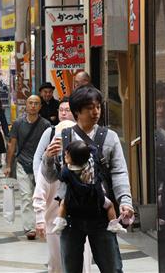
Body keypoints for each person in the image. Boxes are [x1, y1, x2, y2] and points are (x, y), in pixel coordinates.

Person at [41, 85, 134, 273]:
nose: (95, 112)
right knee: (71, 268)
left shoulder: (110, 137)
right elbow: (52, 177)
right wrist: (48, 158)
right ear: (77, 111)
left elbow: (119, 172)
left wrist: (125, 201)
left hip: (100, 213)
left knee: (112, 268)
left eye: (98, 107)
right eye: (89, 108)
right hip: (70, 215)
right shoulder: (62, 136)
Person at [33, 97, 93, 273]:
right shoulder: (50, 165)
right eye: (60, 139)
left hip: (81, 222)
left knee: (83, 264)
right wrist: (39, 220)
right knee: (57, 264)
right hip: (53, 223)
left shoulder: (85, 164)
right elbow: (39, 192)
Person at [52, 140, 127, 234]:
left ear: (73, 159)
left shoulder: (67, 171)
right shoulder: (92, 164)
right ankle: (114, 224)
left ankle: (60, 221)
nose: (65, 155)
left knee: (63, 203)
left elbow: (61, 178)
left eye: (67, 155)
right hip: (96, 197)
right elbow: (95, 150)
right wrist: (87, 147)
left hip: (74, 199)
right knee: (110, 205)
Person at [4, 95, 51, 240]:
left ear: (40, 106)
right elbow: (12, 144)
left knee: (42, 195)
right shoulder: (18, 123)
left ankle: (42, 223)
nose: (33, 106)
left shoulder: (46, 124)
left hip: (40, 165)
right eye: (30, 103)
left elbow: (49, 145)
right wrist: (8, 164)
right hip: (22, 163)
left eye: (36, 103)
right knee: (26, 196)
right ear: (26, 105)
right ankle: (29, 227)